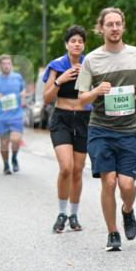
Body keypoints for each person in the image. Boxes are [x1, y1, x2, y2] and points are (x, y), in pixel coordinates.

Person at [75, 7, 136, 252]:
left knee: (127, 185)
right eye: (110, 24)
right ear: (101, 28)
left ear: (123, 27)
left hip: (129, 129)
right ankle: (113, 233)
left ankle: (127, 210)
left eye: (118, 24)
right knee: (108, 182)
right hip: (101, 129)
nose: (115, 28)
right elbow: (82, 99)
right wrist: (97, 91)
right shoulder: (92, 60)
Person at [43, 25, 91, 233]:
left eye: (80, 41)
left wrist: (87, 78)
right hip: (61, 118)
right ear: (66, 44)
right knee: (66, 168)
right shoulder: (57, 65)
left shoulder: (90, 64)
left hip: (83, 118)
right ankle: (61, 213)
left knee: (78, 171)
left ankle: (74, 214)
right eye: (73, 41)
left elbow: (98, 91)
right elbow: (46, 98)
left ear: (84, 45)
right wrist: (60, 81)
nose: (77, 44)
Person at [0, 55, 26, 174]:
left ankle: (14, 158)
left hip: (16, 115)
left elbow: (23, 90)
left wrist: (23, 94)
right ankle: (6, 164)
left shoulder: (18, 77)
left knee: (16, 139)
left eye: (8, 63)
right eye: (4, 63)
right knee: (4, 142)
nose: (6, 65)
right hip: (1, 116)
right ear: (0, 65)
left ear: (11, 64)